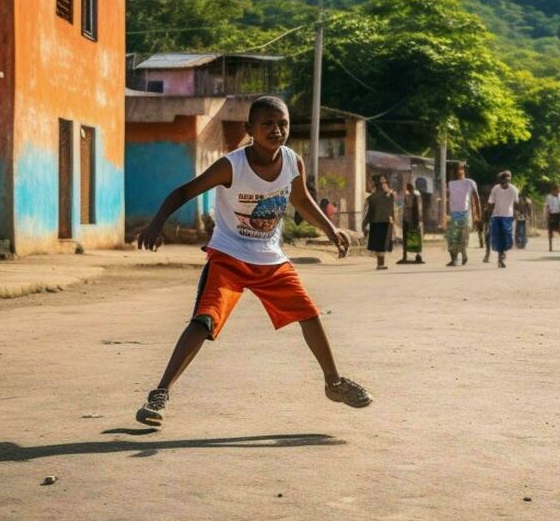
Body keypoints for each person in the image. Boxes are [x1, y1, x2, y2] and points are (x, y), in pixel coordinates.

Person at [133, 95, 372, 427]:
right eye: (268, 124)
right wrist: (157, 223)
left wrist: (331, 230)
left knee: (309, 314)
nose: (277, 130)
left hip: (270, 258)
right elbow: (184, 192)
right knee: (204, 320)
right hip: (229, 256)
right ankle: (159, 393)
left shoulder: (291, 161)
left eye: (283, 123)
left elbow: (302, 199)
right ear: (250, 129)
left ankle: (333, 382)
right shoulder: (232, 166)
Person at [445, 162, 480, 267]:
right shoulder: (450, 183)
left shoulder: (470, 182)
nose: (458, 171)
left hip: (465, 214)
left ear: (464, 170)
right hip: (452, 214)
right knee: (451, 239)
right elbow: (446, 199)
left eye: (460, 169)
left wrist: (478, 214)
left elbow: (476, 199)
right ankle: (454, 259)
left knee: (463, 239)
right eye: (456, 169)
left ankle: (464, 254)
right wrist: (444, 215)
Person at [487, 170, 520, 268]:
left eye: (506, 181)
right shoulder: (496, 189)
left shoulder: (513, 189)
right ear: (500, 180)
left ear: (509, 180)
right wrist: (489, 214)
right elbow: (491, 202)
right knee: (498, 237)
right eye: (502, 181)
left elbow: (516, 202)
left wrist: (517, 213)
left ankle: (503, 251)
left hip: (508, 216)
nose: (504, 183)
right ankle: (500, 258)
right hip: (496, 215)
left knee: (507, 236)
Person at [362, 174, 395, 270]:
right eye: (381, 183)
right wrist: (364, 225)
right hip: (376, 222)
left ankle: (380, 263)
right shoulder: (372, 198)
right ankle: (380, 264)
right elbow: (368, 213)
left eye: (385, 182)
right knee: (380, 245)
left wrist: (393, 222)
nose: (384, 185)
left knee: (383, 245)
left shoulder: (389, 196)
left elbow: (392, 210)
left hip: (386, 221)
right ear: (377, 185)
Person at [398, 178, 425, 264]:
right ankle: (405, 256)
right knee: (407, 239)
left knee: (415, 239)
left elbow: (418, 209)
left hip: (413, 221)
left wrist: (417, 221)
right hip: (407, 220)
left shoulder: (415, 195)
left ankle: (417, 256)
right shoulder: (408, 195)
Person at [545, 184, 560, 251]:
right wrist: (547, 215)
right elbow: (547, 206)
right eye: (556, 191)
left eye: (559, 191)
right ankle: (550, 247)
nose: (558, 192)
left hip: (559, 214)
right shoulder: (548, 197)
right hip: (552, 215)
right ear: (553, 190)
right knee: (550, 231)